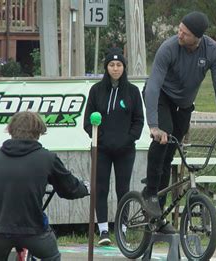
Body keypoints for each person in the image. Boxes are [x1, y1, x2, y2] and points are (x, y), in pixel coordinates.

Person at [142, 11, 216, 234]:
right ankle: (150, 193)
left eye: (184, 33)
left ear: (197, 37)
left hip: (184, 105)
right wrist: (153, 125)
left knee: (170, 154)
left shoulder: (212, 52)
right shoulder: (169, 47)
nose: (179, 34)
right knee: (164, 137)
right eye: (179, 30)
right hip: (162, 97)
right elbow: (153, 85)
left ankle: (158, 217)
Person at [0, 111, 90, 261]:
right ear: (38, 132)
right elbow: (69, 189)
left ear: (11, 131)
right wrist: (86, 188)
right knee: (52, 257)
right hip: (33, 231)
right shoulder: (47, 158)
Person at [83, 48, 144, 245]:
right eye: (111, 65)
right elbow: (87, 122)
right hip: (101, 149)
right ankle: (103, 231)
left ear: (124, 68)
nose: (115, 69)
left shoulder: (133, 91)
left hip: (125, 151)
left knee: (123, 189)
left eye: (119, 65)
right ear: (106, 68)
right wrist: (100, 139)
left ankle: (122, 229)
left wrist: (127, 140)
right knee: (100, 188)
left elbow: (138, 121)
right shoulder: (96, 91)